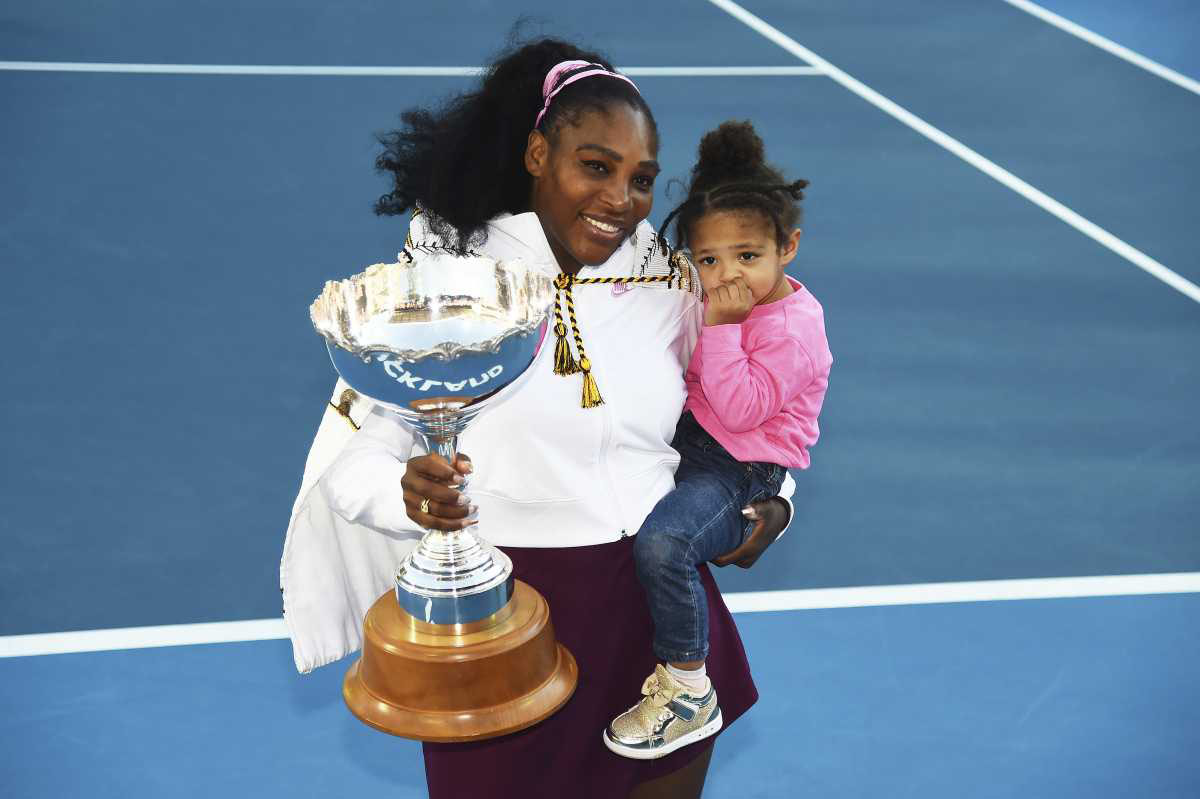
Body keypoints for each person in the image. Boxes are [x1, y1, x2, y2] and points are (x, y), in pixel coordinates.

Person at [279, 40, 795, 799]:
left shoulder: (675, 281)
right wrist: (409, 495)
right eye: (596, 165)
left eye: (642, 179)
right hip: (504, 633)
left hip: (661, 633)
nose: (619, 198)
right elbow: (354, 459)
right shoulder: (444, 285)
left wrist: (777, 502)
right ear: (535, 153)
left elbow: (762, 399)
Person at [603, 121, 832, 760]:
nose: (728, 275)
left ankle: (687, 687)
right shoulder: (713, 294)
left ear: (787, 246)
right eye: (709, 260)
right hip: (693, 440)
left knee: (665, 542)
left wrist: (725, 327)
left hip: (739, 469)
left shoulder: (793, 329)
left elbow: (740, 408)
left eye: (747, 256)